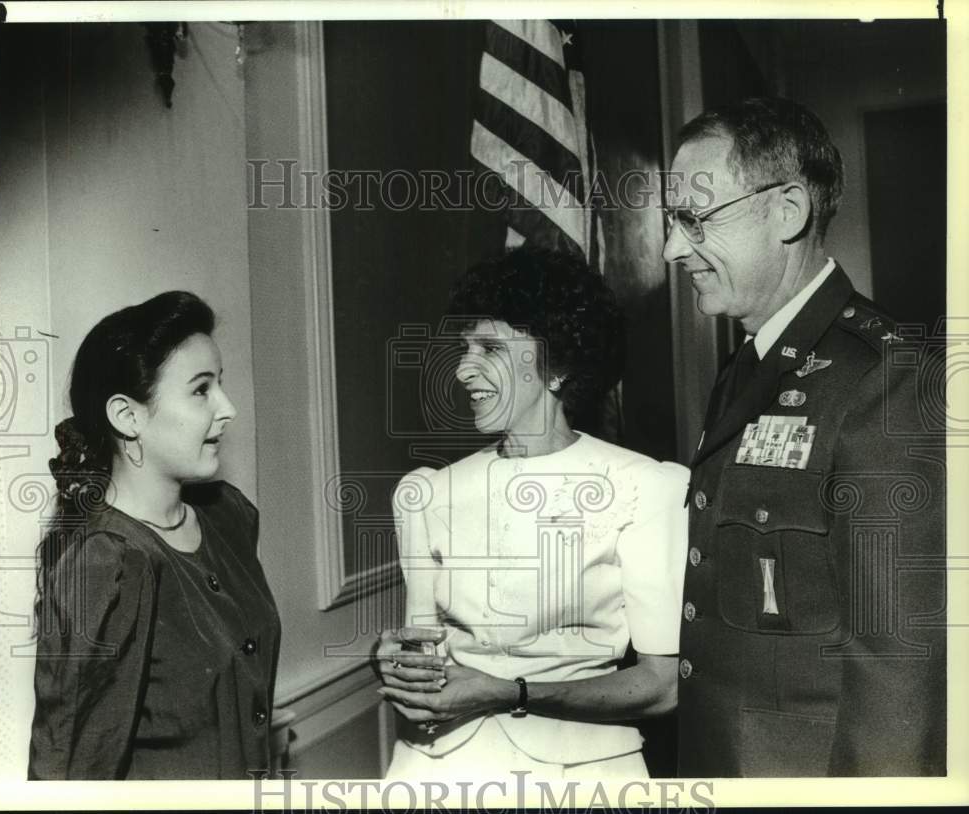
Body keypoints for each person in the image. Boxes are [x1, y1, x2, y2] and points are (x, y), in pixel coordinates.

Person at [663, 97, 946, 776]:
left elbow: (898, 667)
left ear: (786, 211)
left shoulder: (886, 378)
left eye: (694, 220)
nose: (674, 248)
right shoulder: (747, 366)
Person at [375, 247, 689, 781]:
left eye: (490, 348)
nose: (462, 369)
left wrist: (510, 693)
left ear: (559, 365)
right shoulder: (428, 493)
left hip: (585, 774)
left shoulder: (646, 486)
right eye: (464, 347)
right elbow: (423, 655)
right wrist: (398, 662)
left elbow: (662, 687)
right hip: (440, 771)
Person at [28, 291, 281, 780]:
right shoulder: (105, 565)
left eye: (221, 385)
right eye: (201, 389)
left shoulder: (227, 517)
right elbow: (69, 773)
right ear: (128, 416)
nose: (228, 408)